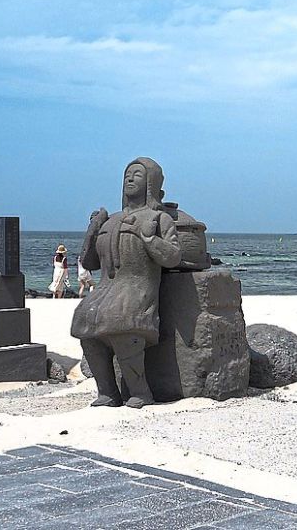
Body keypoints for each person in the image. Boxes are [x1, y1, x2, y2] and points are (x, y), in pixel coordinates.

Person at [71, 157, 181, 409]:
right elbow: (90, 263)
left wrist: (149, 239)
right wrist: (93, 230)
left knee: (122, 324)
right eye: (127, 175)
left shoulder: (157, 218)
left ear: (151, 183)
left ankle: (141, 393)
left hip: (137, 290)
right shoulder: (110, 220)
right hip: (107, 291)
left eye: (137, 175)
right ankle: (107, 392)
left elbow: (173, 256)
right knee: (83, 323)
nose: (130, 179)